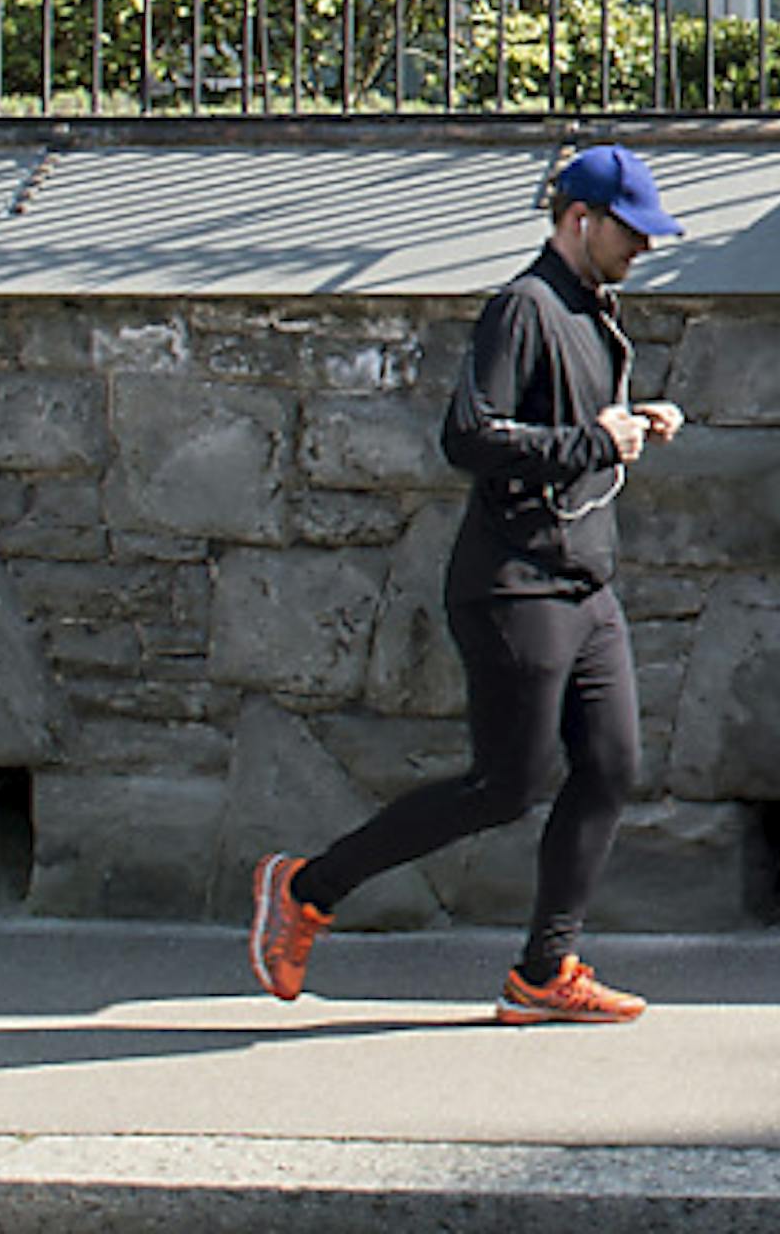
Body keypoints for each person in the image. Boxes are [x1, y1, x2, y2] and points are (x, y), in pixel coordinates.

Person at [248, 144, 687, 1024]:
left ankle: (543, 972)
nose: (643, 249)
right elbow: (471, 435)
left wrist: (633, 423)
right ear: (580, 220)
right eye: (631, 233)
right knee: (506, 785)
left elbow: (571, 430)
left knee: (609, 768)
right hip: (514, 584)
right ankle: (307, 889)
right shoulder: (522, 308)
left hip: (584, 585)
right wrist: (595, 442)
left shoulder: (591, 312)